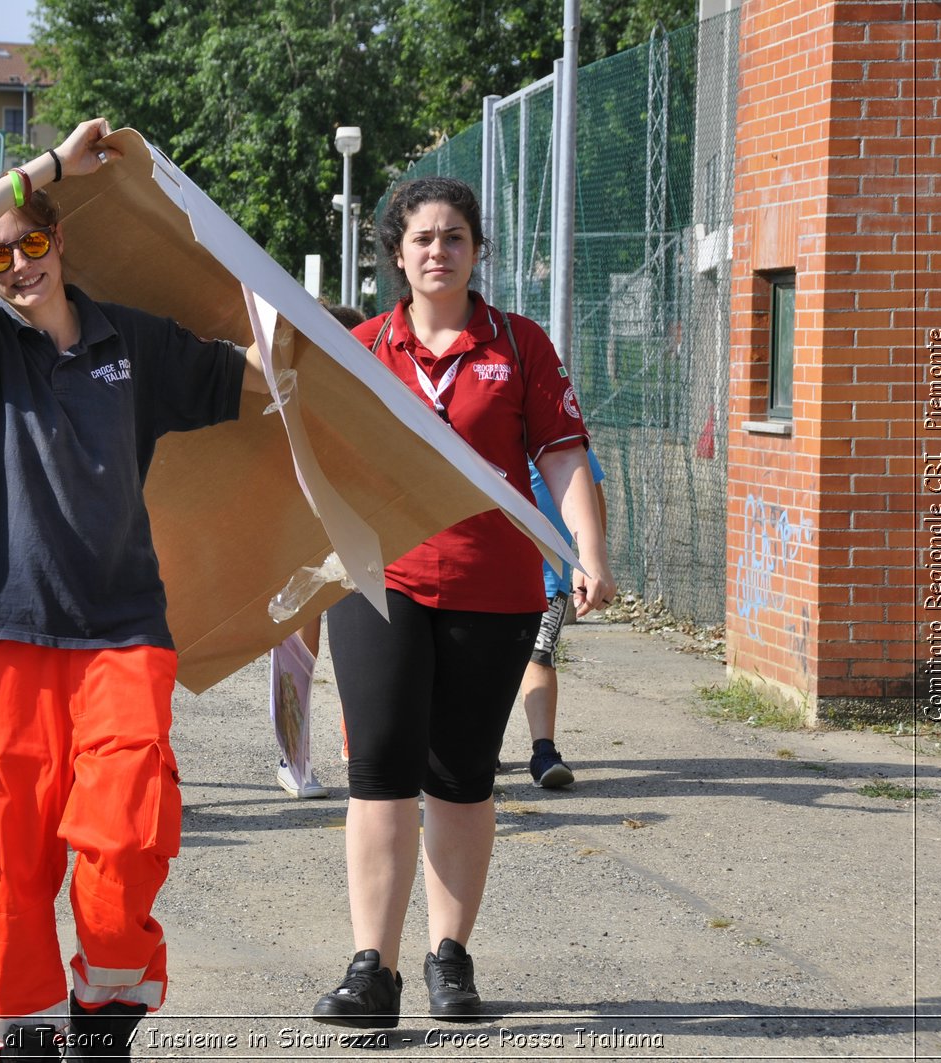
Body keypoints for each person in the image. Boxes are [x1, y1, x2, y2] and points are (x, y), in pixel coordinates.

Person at [0, 117, 271, 1062]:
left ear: (61, 240)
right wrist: (51, 167)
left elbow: (259, 377)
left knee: (122, 836)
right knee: (14, 850)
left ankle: (108, 1005)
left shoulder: (134, 342)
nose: (18, 265)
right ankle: (23, 1019)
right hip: (10, 624)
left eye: (33, 241)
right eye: (2, 257)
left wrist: (342, 356)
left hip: (123, 627)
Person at [309, 176, 613, 1028]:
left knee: (461, 778)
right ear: (396, 255)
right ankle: (374, 966)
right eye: (421, 239)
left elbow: (561, 453)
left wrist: (589, 549)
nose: (437, 251)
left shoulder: (518, 344)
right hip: (380, 582)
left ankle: (450, 954)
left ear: (477, 251)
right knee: (378, 771)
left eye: (454, 237)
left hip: (494, 586)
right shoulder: (361, 347)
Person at [271, 303, 365, 801]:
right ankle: (295, 757)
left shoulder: (365, 383)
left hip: (350, 526)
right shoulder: (288, 382)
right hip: (300, 526)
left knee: (361, 638)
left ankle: (361, 745)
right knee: (297, 640)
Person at [517, 449, 608, 788]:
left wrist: (592, 562)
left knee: (540, 655)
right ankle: (482, 745)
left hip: (548, 577)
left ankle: (544, 753)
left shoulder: (563, 442)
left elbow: (594, 498)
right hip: (490, 575)